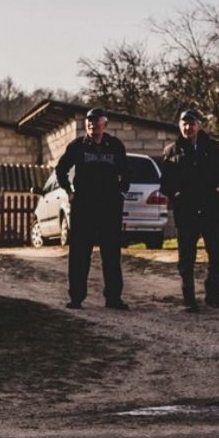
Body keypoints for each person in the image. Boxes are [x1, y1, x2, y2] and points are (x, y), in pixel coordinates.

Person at [54, 106, 131, 309]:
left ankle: (113, 298)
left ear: (105, 124)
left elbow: (126, 173)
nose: (92, 124)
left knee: (111, 254)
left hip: (109, 208)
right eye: (89, 121)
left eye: (96, 121)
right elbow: (61, 170)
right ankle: (76, 297)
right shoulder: (78, 146)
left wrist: (121, 194)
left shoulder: (115, 146)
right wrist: (69, 191)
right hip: (84, 207)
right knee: (79, 253)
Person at [160, 108, 219, 310]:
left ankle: (213, 295)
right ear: (179, 125)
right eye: (184, 123)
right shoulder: (171, 151)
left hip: (212, 211)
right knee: (186, 258)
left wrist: (218, 191)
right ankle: (189, 299)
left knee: (216, 255)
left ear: (199, 125)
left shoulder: (213, 147)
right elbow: (165, 182)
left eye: (191, 123)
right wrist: (177, 196)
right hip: (187, 213)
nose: (187, 127)